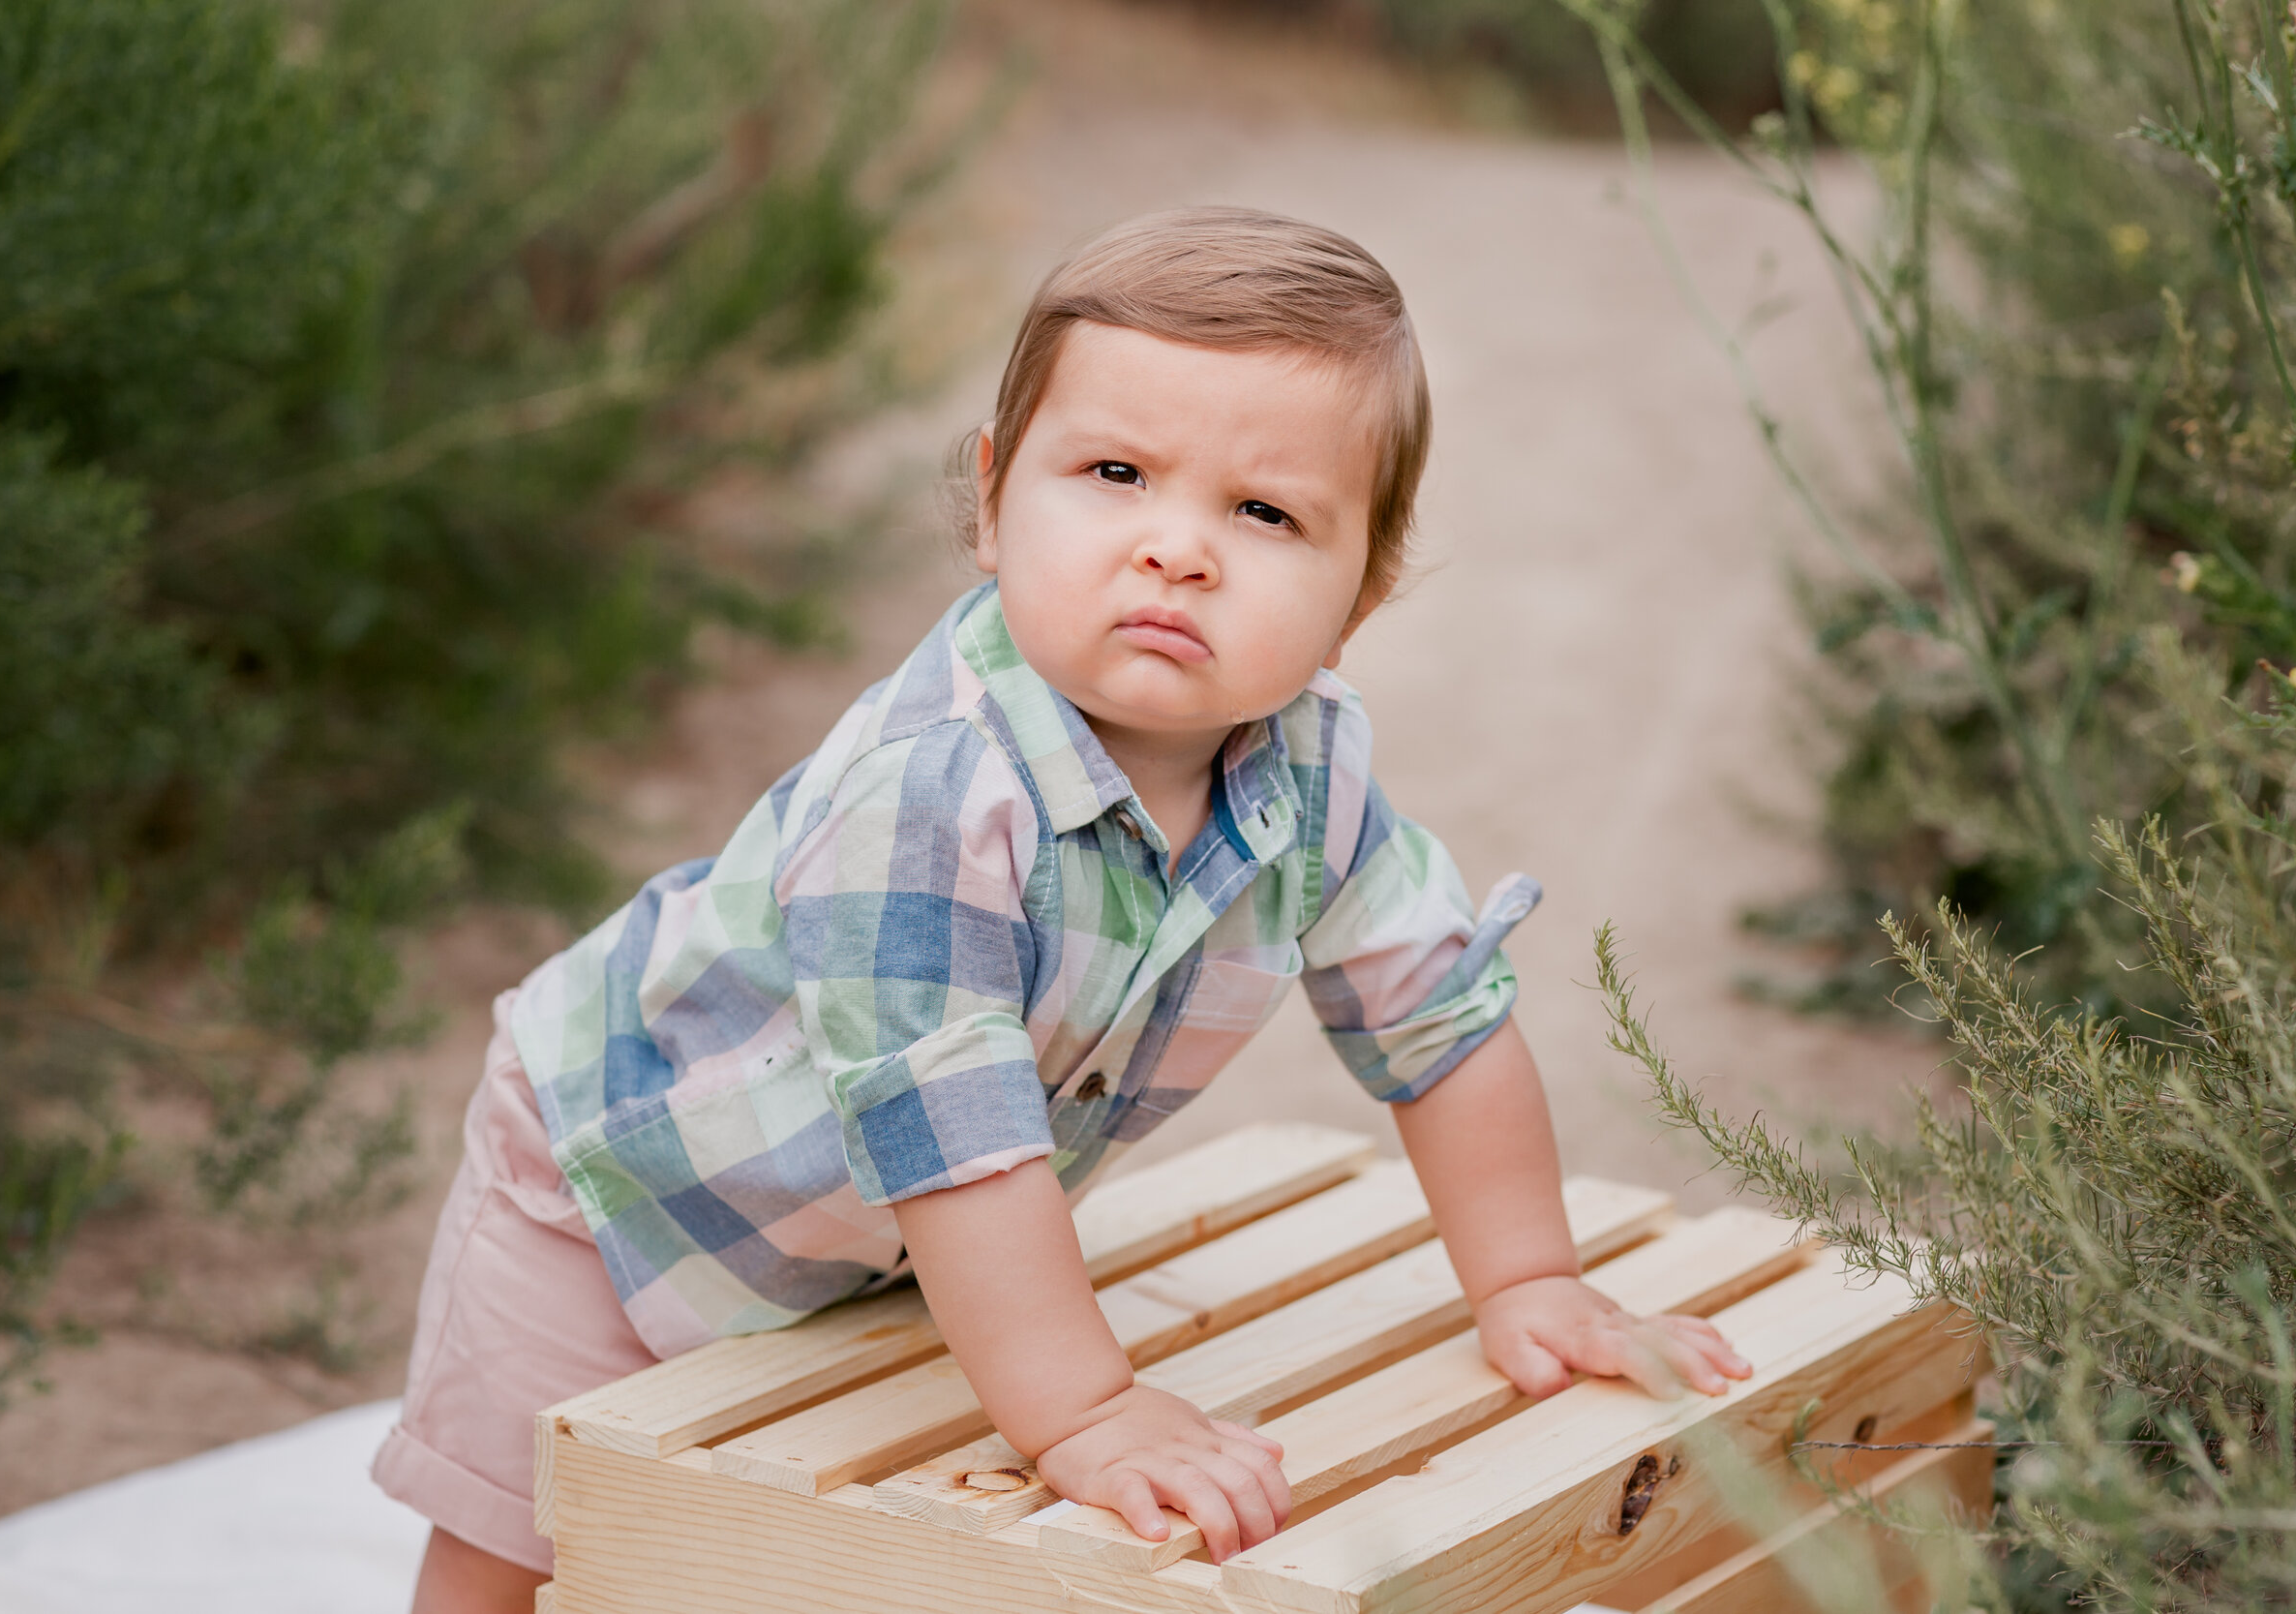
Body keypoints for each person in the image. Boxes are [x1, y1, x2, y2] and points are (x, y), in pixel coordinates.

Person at [374, 206, 1751, 1612]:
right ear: (989, 499)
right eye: (1115, 472)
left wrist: (1527, 1280)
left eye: (1265, 513)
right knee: (514, 1540)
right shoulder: (931, 796)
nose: (1179, 550)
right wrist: (1090, 1412)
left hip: (878, 1245)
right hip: (622, 1191)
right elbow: (954, 1136)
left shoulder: (1312, 767)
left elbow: (1439, 1015)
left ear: (1361, 599)